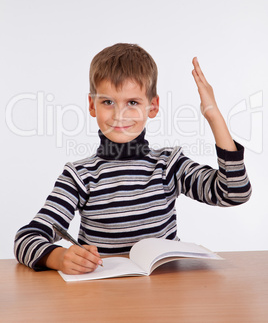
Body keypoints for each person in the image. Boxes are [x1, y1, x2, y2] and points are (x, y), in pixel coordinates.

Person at [14, 43, 252, 275]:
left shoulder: (169, 165)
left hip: (165, 295)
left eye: (132, 103)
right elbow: (27, 238)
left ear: (153, 106)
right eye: (108, 102)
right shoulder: (79, 176)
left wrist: (213, 115)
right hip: (103, 299)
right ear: (92, 105)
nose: (119, 115)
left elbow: (234, 192)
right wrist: (59, 257)